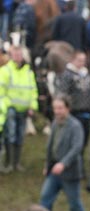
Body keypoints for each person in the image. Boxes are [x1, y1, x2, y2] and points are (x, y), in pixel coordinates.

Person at [39, 96, 90, 211]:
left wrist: (63, 163)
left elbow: (77, 147)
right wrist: (47, 164)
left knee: (74, 205)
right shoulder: (55, 123)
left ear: (68, 108)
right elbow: (50, 146)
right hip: (53, 171)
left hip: (70, 173)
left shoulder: (75, 126)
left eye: (60, 108)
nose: (57, 111)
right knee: (45, 199)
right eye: (55, 108)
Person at [0, 44, 37, 173]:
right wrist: (6, 105)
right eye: (15, 55)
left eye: (20, 55)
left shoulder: (28, 72)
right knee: (10, 134)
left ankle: (17, 162)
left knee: (20, 135)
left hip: (24, 109)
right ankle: (9, 162)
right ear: (10, 56)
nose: (18, 57)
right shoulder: (5, 71)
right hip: (10, 108)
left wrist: (33, 106)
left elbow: (33, 90)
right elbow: (1, 90)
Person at [54, 51, 90, 147]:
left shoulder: (86, 75)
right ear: (73, 60)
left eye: (83, 60)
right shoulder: (67, 75)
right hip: (73, 112)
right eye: (79, 60)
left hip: (86, 113)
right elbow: (63, 93)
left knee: (84, 140)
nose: (81, 63)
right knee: (73, 141)